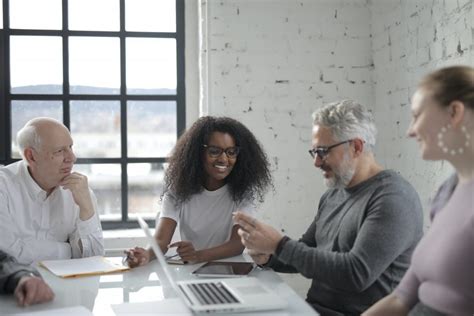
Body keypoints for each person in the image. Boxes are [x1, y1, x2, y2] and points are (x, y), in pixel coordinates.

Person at [234, 100, 424, 316]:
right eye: (314, 151)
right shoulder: (333, 194)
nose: (316, 162)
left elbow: (356, 274)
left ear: (356, 147)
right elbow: (308, 249)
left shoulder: (393, 197)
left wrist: (279, 245)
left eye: (323, 151)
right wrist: (268, 256)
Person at [364, 66, 474, 315]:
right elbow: (401, 298)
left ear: (454, 112)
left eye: (417, 115)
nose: (410, 130)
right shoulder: (448, 191)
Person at [126, 116, 272, 267]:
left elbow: (237, 244)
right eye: (214, 151)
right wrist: (146, 255)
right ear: (197, 154)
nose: (224, 159)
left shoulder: (242, 192)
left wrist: (198, 255)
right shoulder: (179, 191)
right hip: (192, 270)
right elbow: (161, 240)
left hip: (230, 270)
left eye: (231, 152)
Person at [0, 117, 104, 265]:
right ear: (31, 156)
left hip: (68, 286)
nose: (72, 158)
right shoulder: (3, 188)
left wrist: (86, 209)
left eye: (71, 147)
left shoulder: (80, 191)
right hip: (14, 287)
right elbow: (7, 256)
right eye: (60, 150)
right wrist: (69, 251)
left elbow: (95, 261)